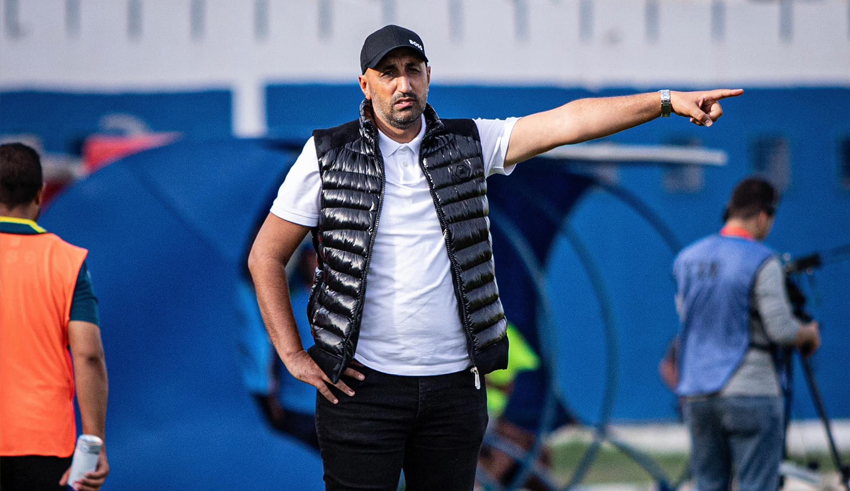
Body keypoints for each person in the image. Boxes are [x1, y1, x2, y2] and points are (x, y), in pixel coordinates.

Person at [248, 24, 743, 490]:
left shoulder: (470, 144)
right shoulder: (326, 155)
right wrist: (292, 355)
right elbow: (266, 256)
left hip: (453, 391)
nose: (403, 84)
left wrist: (665, 101)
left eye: (413, 70)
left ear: (427, 76)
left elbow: (567, 122)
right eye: (388, 72)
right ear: (365, 84)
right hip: (360, 391)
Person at [672, 177, 821, 491]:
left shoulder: (687, 259)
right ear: (763, 216)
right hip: (752, 389)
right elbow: (781, 329)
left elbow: (687, 315)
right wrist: (808, 333)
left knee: (708, 484)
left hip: (698, 392)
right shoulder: (763, 260)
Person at [0, 143, 110, 491]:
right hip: (45, 444)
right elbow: (88, 355)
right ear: (40, 193)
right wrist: (94, 443)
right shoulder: (68, 261)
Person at [237, 243, 320, 450]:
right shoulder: (286, 302)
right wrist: (272, 397)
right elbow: (270, 352)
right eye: (311, 256)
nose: (315, 263)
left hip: (327, 408)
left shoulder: (340, 304)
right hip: (293, 405)